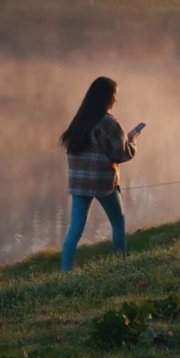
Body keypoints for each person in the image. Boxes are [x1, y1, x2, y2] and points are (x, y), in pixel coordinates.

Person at [59, 76, 141, 271]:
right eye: (115, 95)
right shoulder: (108, 122)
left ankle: (65, 271)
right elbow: (122, 154)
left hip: (79, 184)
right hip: (103, 184)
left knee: (75, 229)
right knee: (118, 222)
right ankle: (120, 264)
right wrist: (133, 139)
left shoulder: (79, 120)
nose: (116, 99)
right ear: (106, 97)